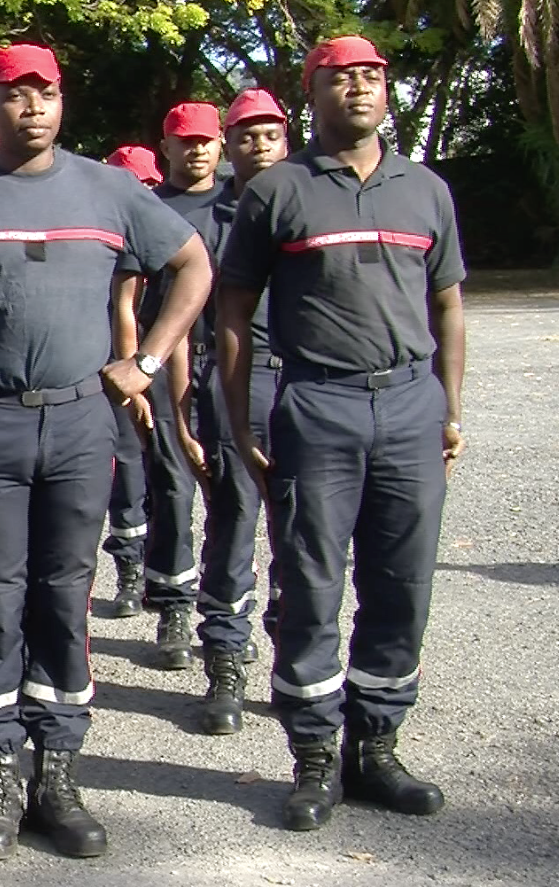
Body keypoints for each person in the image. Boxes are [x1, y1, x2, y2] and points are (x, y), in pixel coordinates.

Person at [0, 43, 212, 861]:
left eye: (44, 92)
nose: (31, 106)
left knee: (63, 598)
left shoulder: (109, 189)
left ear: (62, 101)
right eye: (13, 93)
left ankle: (58, 777)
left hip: (81, 422)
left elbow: (192, 265)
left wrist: (144, 364)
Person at [216, 35, 466, 832]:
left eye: (372, 76)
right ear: (310, 92)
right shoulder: (277, 192)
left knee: (402, 582)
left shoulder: (426, 190)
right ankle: (316, 754)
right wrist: (238, 420)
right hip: (317, 405)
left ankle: (376, 747)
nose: (359, 88)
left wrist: (449, 407)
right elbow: (232, 313)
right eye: (340, 78)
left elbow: (449, 306)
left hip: (409, 405)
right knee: (312, 584)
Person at [175, 88, 290, 735]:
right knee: (233, 519)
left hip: (304, 382)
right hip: (233, 378)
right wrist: (187, 407)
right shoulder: (205, 216)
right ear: (229, 143)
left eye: (268, 133)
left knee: (302, 532)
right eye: (244, 134)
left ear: (285, 139)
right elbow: (189, 311)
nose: (257, 144)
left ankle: (289, 655)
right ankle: (223, 660)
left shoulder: (309, 201)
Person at [116, 102, 226, 669]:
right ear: (168, 147)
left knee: (234, 491)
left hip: (232, 361)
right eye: (186, 140)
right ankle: (175, 603)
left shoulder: (241, 202)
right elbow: (128, 301)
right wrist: (138, 370)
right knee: (173, 482)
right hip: (164, 360)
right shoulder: (149, 209)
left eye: (207, 138)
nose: (198, 149)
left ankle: (229, 613)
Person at [101, 144, 162, 616]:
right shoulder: (102, 239)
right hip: (116, 369)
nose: (139, 195)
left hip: (171, 366)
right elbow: (122, 314)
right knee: (127, 470)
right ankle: (130, 569)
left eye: (147, 186)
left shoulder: (171, 232)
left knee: (170, 474)